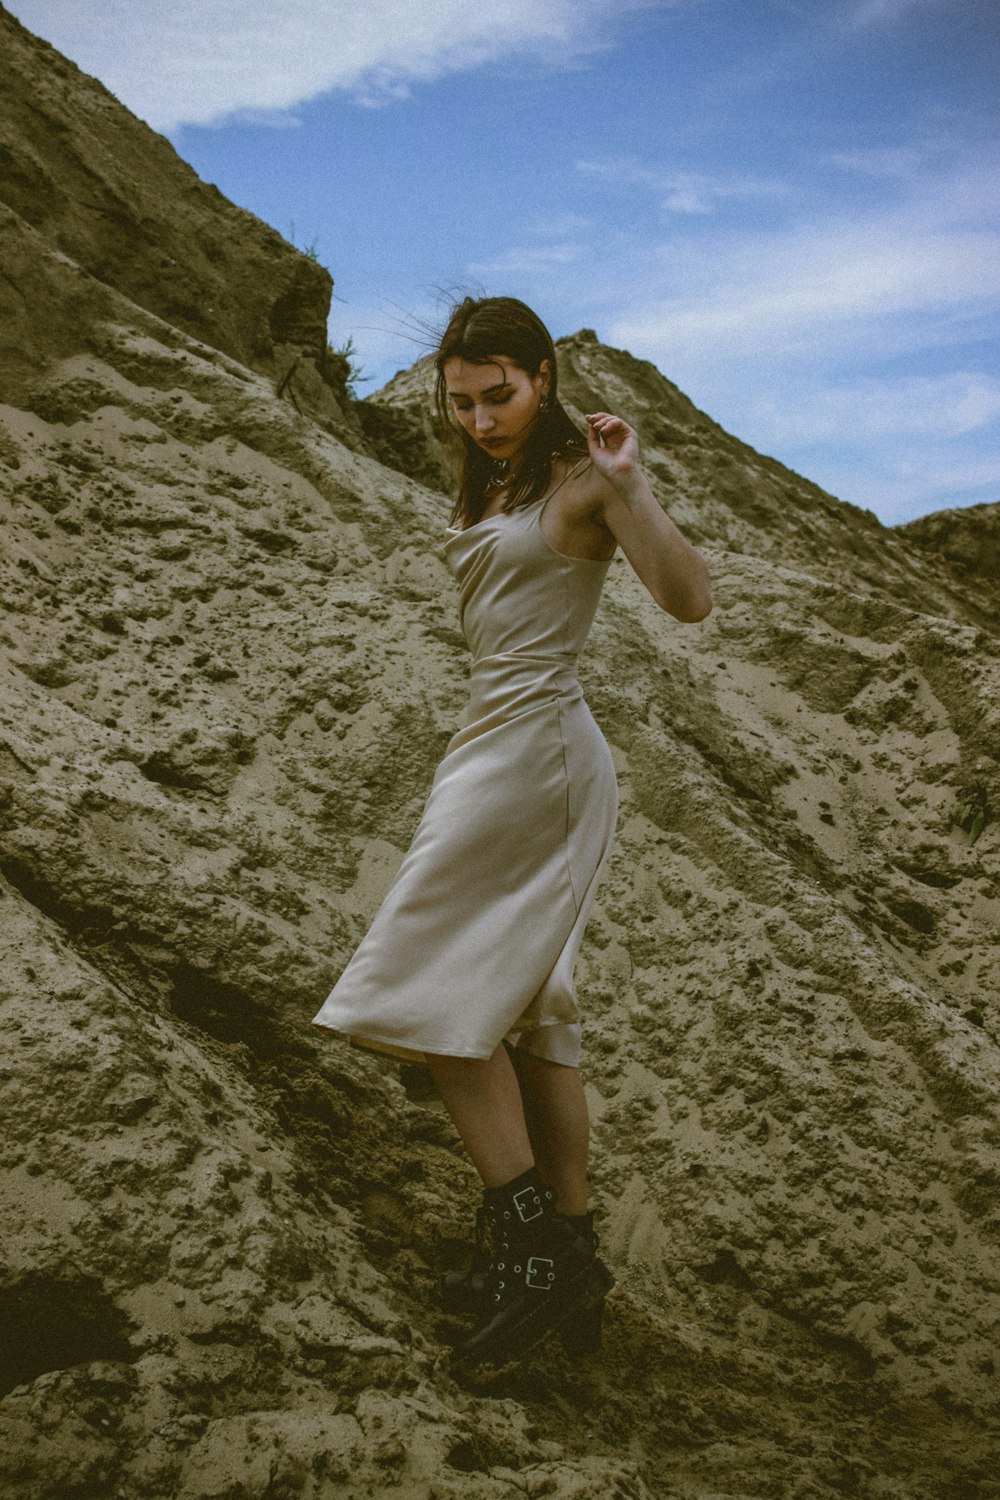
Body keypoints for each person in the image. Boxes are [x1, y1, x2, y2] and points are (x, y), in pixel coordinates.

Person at [313, 296, 711, 1363]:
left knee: (440, 994)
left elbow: (688, 599)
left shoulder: (587, 483)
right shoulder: (492, 480)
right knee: (534, 1013)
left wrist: (632, 484)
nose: (481, 418)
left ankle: (535, 1253)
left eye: (501, 396)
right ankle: (562, 1258)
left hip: (536, 754)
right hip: (496, 740)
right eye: (462, 402)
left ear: (543, 378)